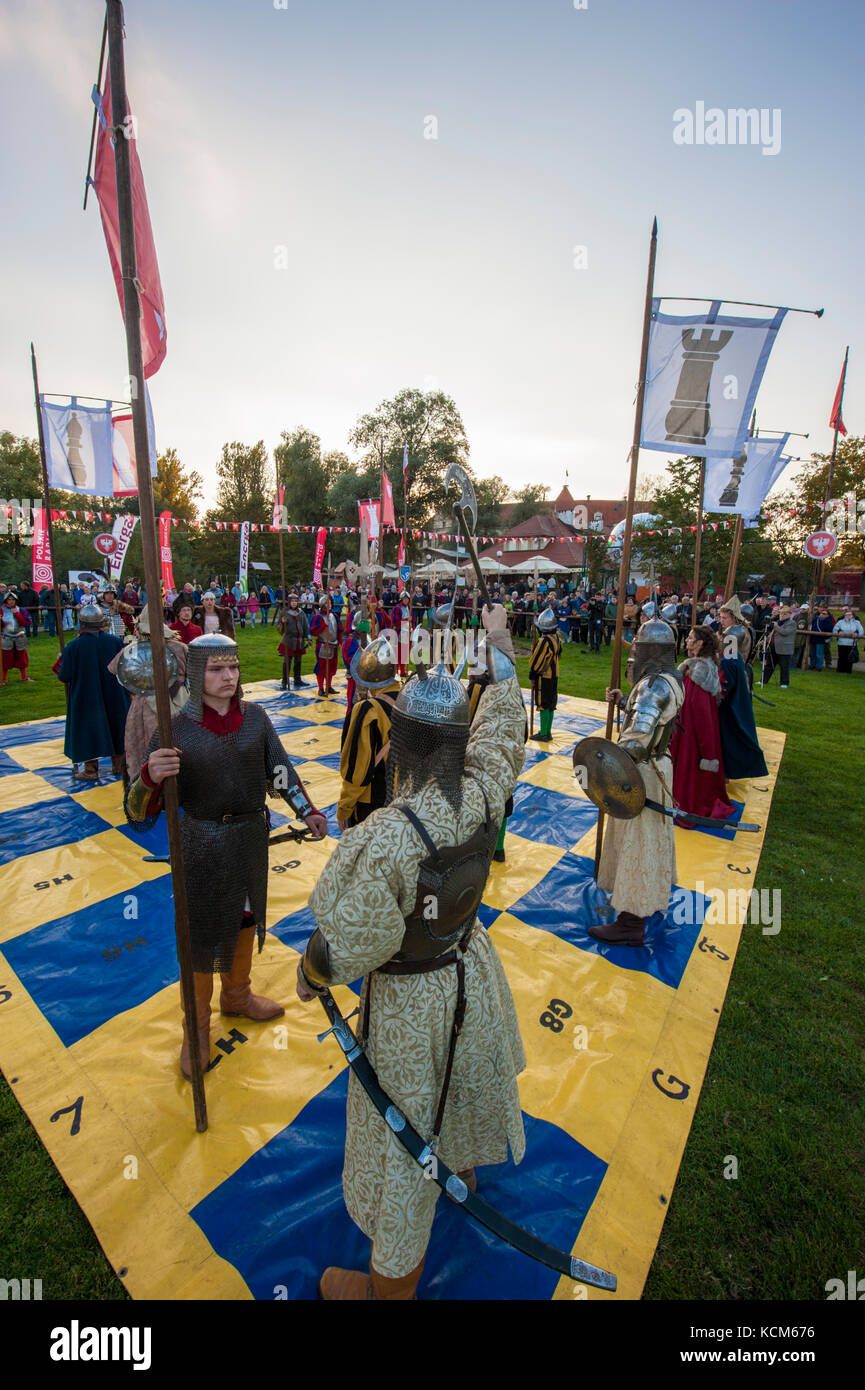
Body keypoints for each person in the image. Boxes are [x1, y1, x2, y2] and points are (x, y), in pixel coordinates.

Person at [295, 604, 527, 1300]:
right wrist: (497, 644)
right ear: (458, 738)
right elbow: (506, 719)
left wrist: (311, 973)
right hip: (467, 970)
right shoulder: (487, 786)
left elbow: (352, 942)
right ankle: (461, 1172)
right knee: (455, 1087)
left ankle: (387, 1289)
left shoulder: (389, 832)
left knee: (404, 1138)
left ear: (405, 742)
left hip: (409, 1001)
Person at [125, 632, 328, 1078]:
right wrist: (149, 776)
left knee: (245, 919)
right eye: (217, 669)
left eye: (233, 668)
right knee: (200, 941)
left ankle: (236, 997)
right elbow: (137, 814)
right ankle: (196, 1030)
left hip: (248, 840)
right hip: (201, 844)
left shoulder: (256, 720)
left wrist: (306, 809)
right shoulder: (174, 730)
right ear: (197, 675)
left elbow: (279, 771)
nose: (228, 677)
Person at [590, 618, 684, 947]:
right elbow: (650, 717)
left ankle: (631, 921)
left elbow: (635, 742)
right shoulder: (671, 679)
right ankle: (648, 899)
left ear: (648, 651)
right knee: (649, 840)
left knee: (639, 844)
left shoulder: (654, 686)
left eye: (638, 646)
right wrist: (623, 701)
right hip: (658, 767)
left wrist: (605, 766)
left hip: (642, 773)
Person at [107, 605, 190, 782]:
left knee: (148, 748)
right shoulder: (182, 647)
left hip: (146, 705)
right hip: (181, 702)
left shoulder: (132, 649)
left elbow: (118, 675)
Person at [56, 605, 130, 780]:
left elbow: (64, 676)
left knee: (87, 728)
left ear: (81, 623)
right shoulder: (115, 642)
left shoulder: (73, 647)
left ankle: (91, 770)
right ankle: (119, 765)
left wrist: (63, 658)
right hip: (114, 694)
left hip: (86, 697)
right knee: (117, 724)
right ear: (100, 622)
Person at [336, 634, 401, 830]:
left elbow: (358, 770)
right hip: (407, 803)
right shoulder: (410, 700)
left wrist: (344, 808)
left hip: (373, 806)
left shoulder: (367, 710)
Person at [670, 627, 735, 822]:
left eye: (690, 638)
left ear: (699, 644)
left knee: (691, 780)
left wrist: (707, 754)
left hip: (692, 739)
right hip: (683, 733)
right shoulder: (692, 668)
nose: (687, 641)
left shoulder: (701, 674)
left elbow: (702, 717)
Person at [718, 645, 768, 781]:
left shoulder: (728, 660)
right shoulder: (730, 656)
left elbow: (723, 689)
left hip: (727, 707)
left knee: (729, 740)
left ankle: (725, 774)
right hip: (733, 702)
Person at [528, 607, 562, 741]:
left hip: (544, 676)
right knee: (550, 703)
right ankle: (547, 731)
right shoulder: (557, 639)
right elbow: (559, 655)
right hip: (554, 675)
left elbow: (537, 661)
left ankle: (543, 733)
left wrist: (533, 675)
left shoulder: (544, 641)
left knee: (543, 703)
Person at [309, 594, 342, 696]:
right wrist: (324, 624)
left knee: (331, 668)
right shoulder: (317, 617)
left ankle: (329, 686)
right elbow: (313, 631)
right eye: (327, 603)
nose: (330, 605)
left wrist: (340, 642)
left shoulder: (334, 616)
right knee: (322, 668)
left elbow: (339, 630)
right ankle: (320, 688)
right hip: (323, 645)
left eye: (330, 603)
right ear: (323, 605)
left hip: (334, 645)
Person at [277, 591, 311, 690]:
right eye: (292, 601)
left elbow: (306, 626)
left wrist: (308, 638)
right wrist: (283, 623)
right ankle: (284, 681)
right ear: (289, 602)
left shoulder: (301, 612)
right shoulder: (284, 613)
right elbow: (279, 630)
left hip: (299, 641)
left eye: (296, 601)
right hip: (289, 640)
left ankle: (297, 680)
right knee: (287, 662)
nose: (294, 603)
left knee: (298, 661)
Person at [1, 591, 34, 685]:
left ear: (16, 600)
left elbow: (26, 623)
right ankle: (3, 678)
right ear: (6, 600)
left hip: (20, 635)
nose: (11, 601)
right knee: (5, 658)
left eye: (13, 599)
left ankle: (23, 677)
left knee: (22, 657)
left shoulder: (21, 610)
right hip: (6, 636)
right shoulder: (1, 610)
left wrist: (17, 614)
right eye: (9, 599)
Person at [763, 605, 796, 688]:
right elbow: (773, 633)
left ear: (789, 614)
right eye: (781, 614)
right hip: (774, 645)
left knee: (784, 666)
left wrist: (775, 626)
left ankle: (784, 683)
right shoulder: (778, 622)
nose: (782, 615)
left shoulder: (792, 623)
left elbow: (785, 632)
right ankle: (763, 680)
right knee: (769, 665)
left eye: (784, 614)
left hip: (784, 648)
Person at [833, 607, 864, 674]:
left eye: (850, 614)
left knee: (849, 658)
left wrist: (857, 633)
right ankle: (840, 671)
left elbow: (861, 631)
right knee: (841, 657)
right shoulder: (840, 622)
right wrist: (839, 631)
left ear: (852, 615)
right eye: (846, 614)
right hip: (842, 642)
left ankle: (848, 671)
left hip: (852, 643)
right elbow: (834, 630)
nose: (848, 616)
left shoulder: (857, 622)